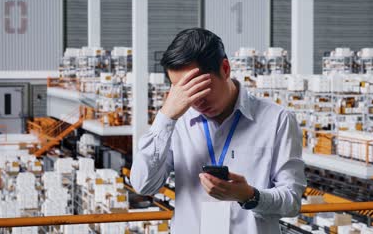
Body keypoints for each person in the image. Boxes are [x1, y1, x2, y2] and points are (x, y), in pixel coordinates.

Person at [131, 28, 306, 234]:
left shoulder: (278, 120)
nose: (195, 101)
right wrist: (166, 116)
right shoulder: (175, 122)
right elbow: (143, 185)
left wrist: (250, 196)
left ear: (225, 68)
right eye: (184, 90)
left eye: (200, 88)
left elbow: (292, 202)